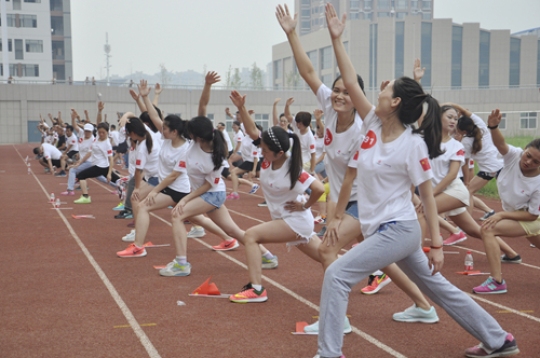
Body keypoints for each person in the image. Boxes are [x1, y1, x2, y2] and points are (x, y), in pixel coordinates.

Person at [311, 5, 519, 358]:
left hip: (400, 229)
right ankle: (499, 340)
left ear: (394, 102)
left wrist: (436, 244)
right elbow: (348, 79)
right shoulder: (374, 123)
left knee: (337, 275)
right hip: (387, 230)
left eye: (386, 88)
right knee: (439, 290)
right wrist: (335, 39)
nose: (379, 89)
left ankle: (328, 353)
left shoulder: (412, 145)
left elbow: (426, 194)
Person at [276, 4, 438, 333]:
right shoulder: (329, 108)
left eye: (343, 92)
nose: (337, 95)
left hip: (361, 200)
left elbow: (351, 176)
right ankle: (424, 306)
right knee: (381, 257)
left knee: (328, 248)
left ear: (355, 97)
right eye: (334, 91)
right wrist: (292, 34)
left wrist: (334, 217)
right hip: (350, 197)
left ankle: (337, 320)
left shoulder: (365, 127)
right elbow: (308, 72)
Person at [228, 91, 325, 303]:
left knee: (251, 236)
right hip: (286, 220)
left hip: (296, 221)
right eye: (261, 148)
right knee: (325, 256)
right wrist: (242, 108)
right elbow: (253, 130)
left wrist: (305, 206)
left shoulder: (294, 169)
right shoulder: (267, 158)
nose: (261, 152)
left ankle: (257, 290)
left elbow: (318, 188)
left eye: (264, 150)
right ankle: (364, 268)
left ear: (279, 153)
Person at [474, 109, 540, 294]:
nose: (529, 162)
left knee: (488, 229)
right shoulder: (514, 156)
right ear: (524, 150)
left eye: (536, 161)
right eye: (528, 155)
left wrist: (501, 214)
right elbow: (500, 143)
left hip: (531, 219)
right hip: (517, 213)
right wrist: (494, 126)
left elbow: (533, 215)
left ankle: (497, 281)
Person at [454, 103, 502, 221]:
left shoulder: (466, 142)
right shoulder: (481, 126)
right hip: (501, 164)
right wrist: (457, 109)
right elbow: (465, 110)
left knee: (468, 192)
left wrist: (466, 181)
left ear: (463, 131)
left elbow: (465, 164)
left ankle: (469, 223)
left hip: (490, 169)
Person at [73, 122, 119, 204]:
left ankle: (85, 197)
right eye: (99, 132)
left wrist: (109, 173)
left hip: (100, 167)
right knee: (119, 181)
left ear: (107, 133)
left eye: (103, 133)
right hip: (100, 166)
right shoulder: (97, 138)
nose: (101, 134)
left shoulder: (107, 144)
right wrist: (80, 161)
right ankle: (131, 191)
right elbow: (90, 152)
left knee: (81, 175)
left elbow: (111, 159)